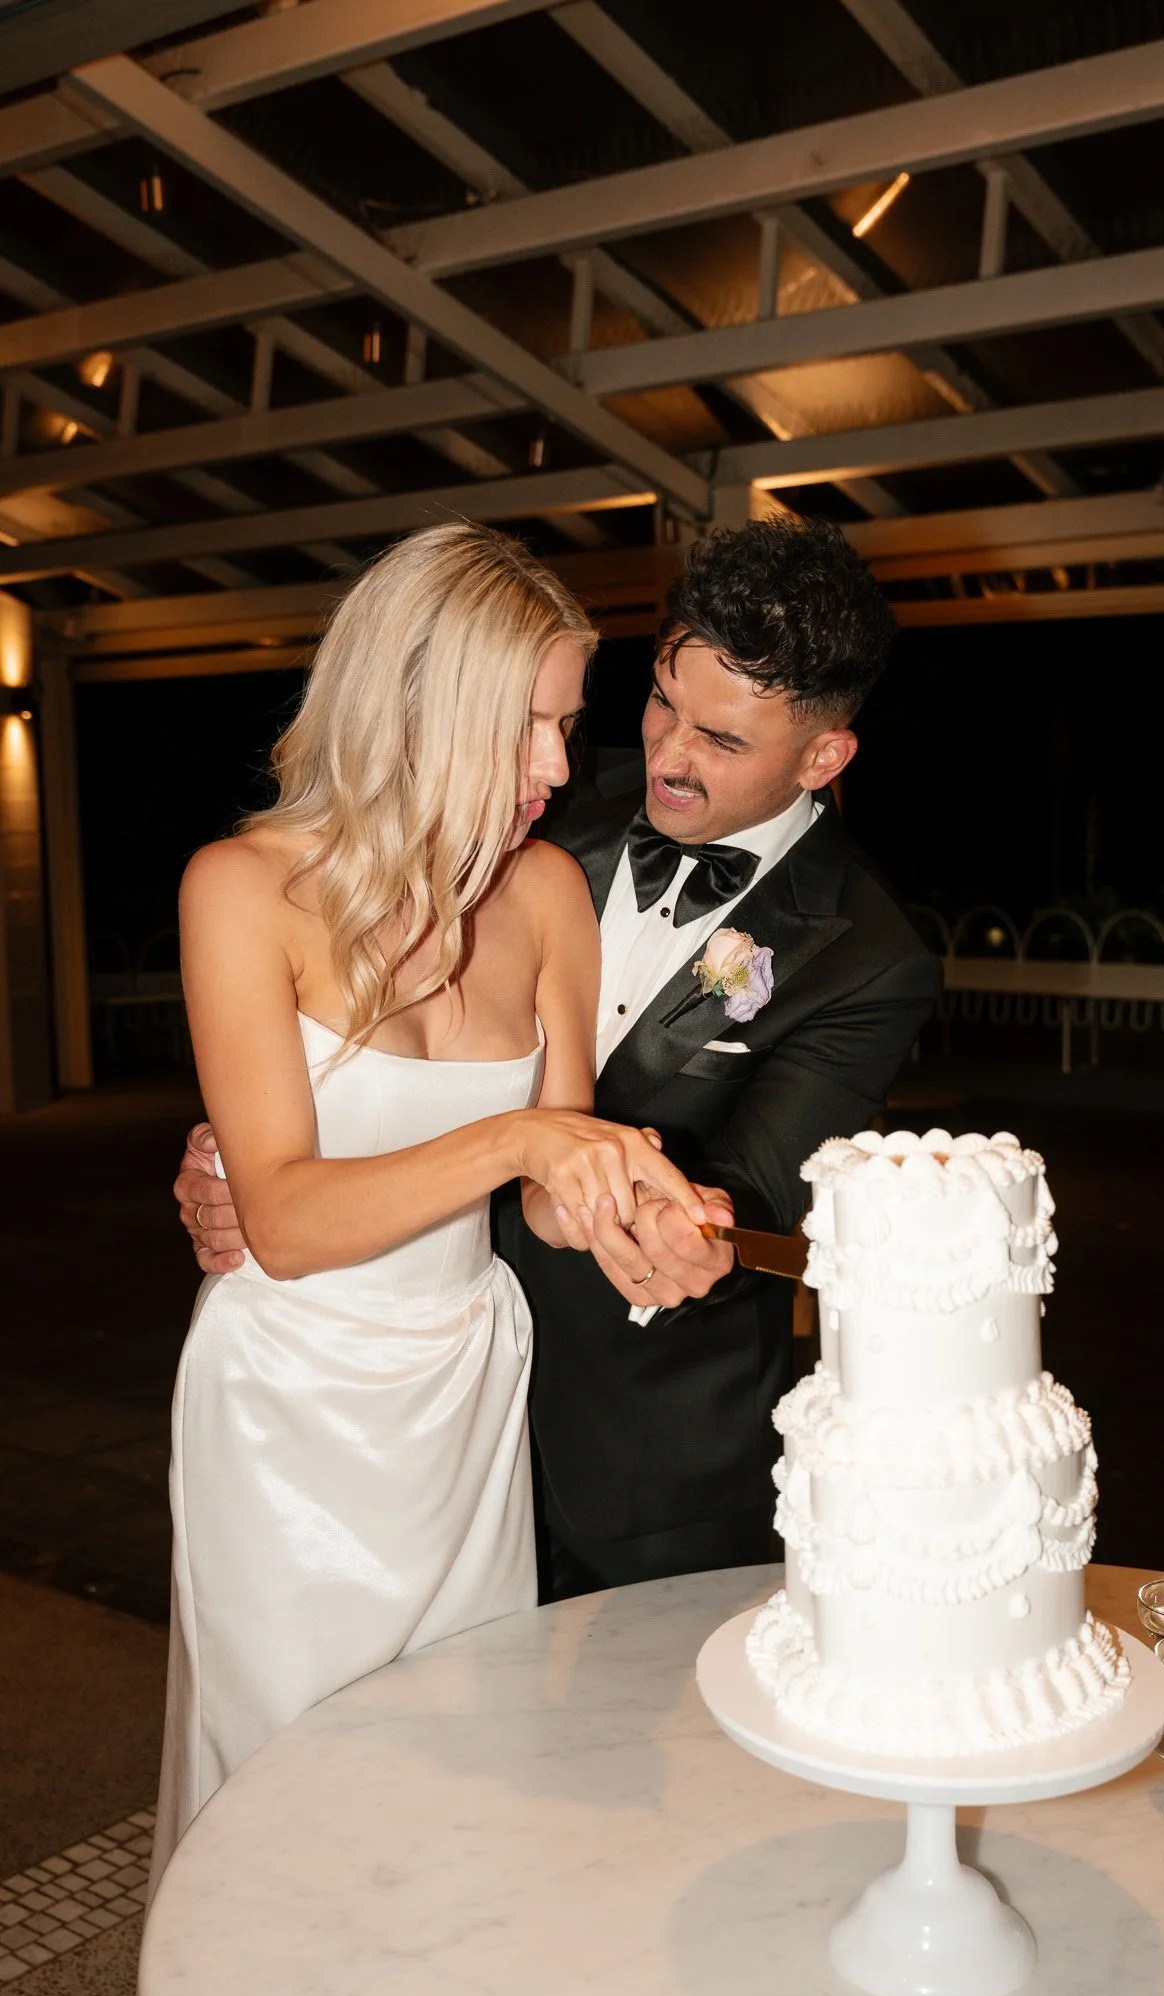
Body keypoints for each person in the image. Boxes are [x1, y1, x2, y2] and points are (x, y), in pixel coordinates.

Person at [178, 517, 941, 1599]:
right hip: (326, 1400)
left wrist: (670, 1220)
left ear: (821, 755)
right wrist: (247, 1152)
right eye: (661, 703)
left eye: (722, 741)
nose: (667, 756)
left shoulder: (871, 956)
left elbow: (750, 1194)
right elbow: (335, 1061)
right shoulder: (539, 809)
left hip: (637, 1450)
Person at [148, 520, 708, 1889]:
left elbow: (554, 1192)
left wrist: (641, 1218)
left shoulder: (548, 893)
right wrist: (523, 1133)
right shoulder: (243, 890)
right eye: (525, 726)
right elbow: (279, 1216)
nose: (556, 770)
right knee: (289, 1776)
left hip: (463, 1382)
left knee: (460, 1763)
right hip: (288, 1401)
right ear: (410, 704)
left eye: (568, 727)